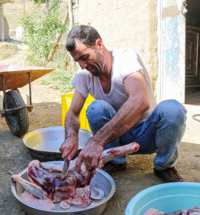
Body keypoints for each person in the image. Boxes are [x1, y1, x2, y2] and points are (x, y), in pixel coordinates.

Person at [59, 25, 186, 182]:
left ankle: (164, 166)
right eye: (77, 60)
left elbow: (140, 102)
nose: (82, 65)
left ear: (99, 45)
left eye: (84, 57)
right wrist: (71, 137)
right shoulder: (84, 75)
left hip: (147, 135)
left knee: (173, 110)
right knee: (96, 109)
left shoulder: (125, 58)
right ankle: (115, 161)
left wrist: (96, 141)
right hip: (116, 139)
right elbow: (72, 113)